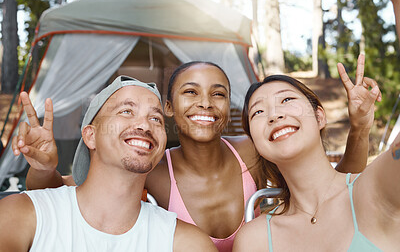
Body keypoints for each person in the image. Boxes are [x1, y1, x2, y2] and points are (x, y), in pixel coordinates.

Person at [14, 60, 380, 252]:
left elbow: (333, 192)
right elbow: (69, 192)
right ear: (170, 108)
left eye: (218, 93)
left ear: (228, 107)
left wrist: (359, 129)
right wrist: (45, 166)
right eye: (191, 92)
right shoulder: (155, 167)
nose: (205, 102)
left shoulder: (253, 151)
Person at [1, 76, 216, 251]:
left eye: (156, 119)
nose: (144, 125)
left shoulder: (186, 244)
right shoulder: (21, 215)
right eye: (126, 111)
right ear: (90, 136)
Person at [233, 55, 399, 251]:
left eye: (286, 99)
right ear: (255, 143)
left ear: (319, 117)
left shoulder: (374, 189)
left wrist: (360, 127)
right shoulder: (253, 240)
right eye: (258, 112)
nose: (274, 115)